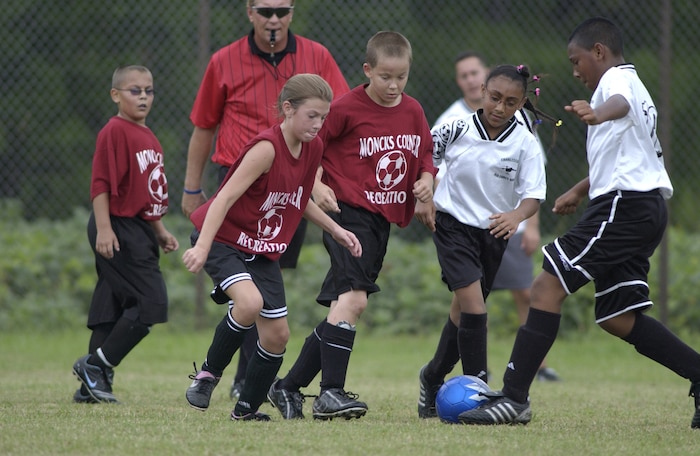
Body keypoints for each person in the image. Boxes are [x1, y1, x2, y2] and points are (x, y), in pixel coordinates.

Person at [458, 17, 700, 429]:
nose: (575, 70)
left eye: (577, 60)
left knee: (545, 285)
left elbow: (615, 107)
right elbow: (629, 152)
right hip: (642, 207)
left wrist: (596, 112)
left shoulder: (615, 85)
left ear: (599, 52)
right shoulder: (638, 88)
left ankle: (514, 397)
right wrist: (579, 188)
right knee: (617, 316)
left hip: (623, 206)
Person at [180, 0, 350, 401]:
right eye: (265, 10)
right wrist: (201, 239)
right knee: (250, 302)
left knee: (276, 331)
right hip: (233, 216)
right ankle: (208, 376)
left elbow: (298, 196)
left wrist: (338, 228)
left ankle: (247, 400)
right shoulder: (227, 68)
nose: (274, 18)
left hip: (269, 228)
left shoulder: (312, 136)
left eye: (282, 10)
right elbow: (208, 144)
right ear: (250, 12)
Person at [267, 31, 436, 421]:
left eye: (401, 77)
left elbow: (425, 151)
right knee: (354, 299)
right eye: (385, 77)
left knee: (344, 306)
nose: (393, 86)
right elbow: (309, 146)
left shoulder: (412, 110)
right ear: (367, 70)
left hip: (381, 219)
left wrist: (427, 179)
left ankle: (288, 387)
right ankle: (330, 394)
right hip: (345, 213)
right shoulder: (345, 107)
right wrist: (318, 184)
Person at [417, 64, 548, 419]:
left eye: (510, 102)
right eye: (494, 98)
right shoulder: (456, 127)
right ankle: (478, 391)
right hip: (452, 225)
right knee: (475, 308)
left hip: (493, 235)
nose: (500, 108)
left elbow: (533, 195)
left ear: (521, 104)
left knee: (462, 313)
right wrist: (425, 194)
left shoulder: (524, 142)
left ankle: (431, 376)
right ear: (482, 92)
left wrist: (517, 217)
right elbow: (426, 158)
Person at [72, 65, 179, 404]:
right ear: (116, 95)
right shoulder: (114, 131)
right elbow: (101, 184)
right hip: (116, 225)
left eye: (149, 90)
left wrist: (159, 230)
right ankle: (95, 366)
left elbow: (147, 193)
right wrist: (104, 228)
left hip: (138, 226)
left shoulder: (148, 136)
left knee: (112, 302)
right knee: (151, 302)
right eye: (135, 90)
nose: (144, 96)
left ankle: (90, 388)